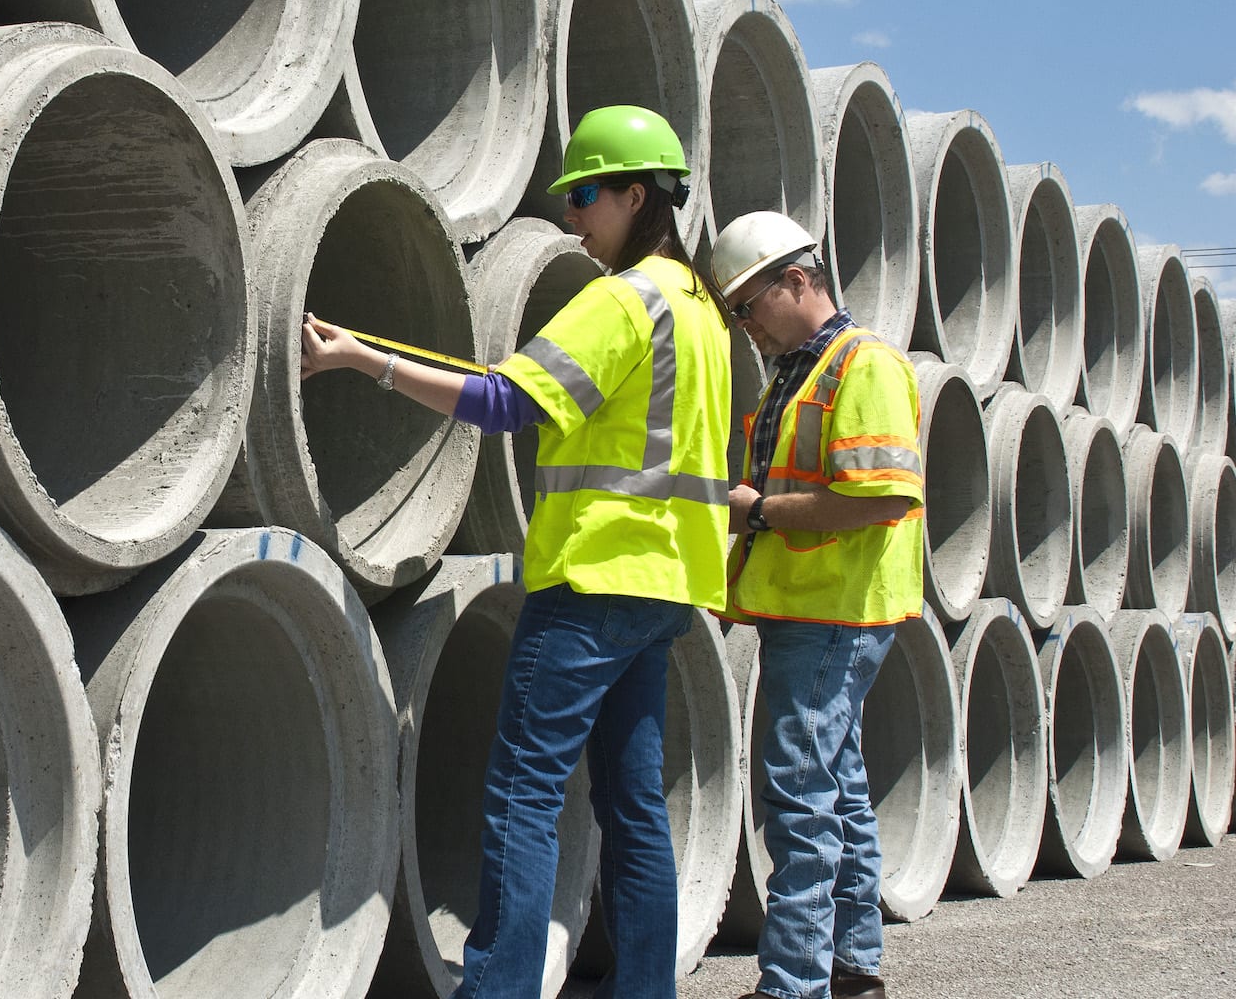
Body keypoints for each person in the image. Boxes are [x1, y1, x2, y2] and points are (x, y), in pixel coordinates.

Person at [301, 105, 732, 999]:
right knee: (633, 809)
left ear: (636, 193)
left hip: (592, 580)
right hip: (667, 587)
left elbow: (504, 402)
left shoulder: (625, 300)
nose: (572, 217)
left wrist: (361, 360)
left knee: (522, 797)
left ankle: (495, 990)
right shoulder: (704, 313)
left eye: (584, 196)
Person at [711, 211, 926, 999]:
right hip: (817, 606)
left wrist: (755, 510)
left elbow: (873, 501)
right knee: (838, 785)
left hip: (836, 609)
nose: (745, 325)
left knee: (798, 793)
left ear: (796, 280)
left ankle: (792, 983)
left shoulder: (861, 365)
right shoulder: (800, 368)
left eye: (748, 305)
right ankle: (853, 969)